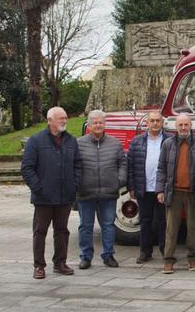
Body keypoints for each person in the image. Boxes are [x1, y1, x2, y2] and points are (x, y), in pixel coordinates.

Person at [21, 106, 80, 279]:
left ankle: (60, 263)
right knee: (40, 231)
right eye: (60, 118)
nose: (64, 121)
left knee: (62, 231)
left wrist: (74, 184)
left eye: (65, 117)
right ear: (50, 120)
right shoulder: (36, 140)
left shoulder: (71, 141)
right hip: (43, 197)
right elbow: (27, 168)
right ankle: (39, 266)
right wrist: (38, 187)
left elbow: (78, 165)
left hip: (65, 196)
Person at [156, 114, 195, 274]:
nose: (183, 128)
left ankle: (193, 260)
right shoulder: (167, 144)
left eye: (186, 125)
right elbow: (161, 168)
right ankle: (168, 261)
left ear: (191, 125)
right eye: (180, 125)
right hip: (173, 192)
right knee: (171, 229)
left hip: (193, 192)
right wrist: (160, 190)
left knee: (193, 228)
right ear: (176, 126)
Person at [76, 110, 126, 270]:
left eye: (101, 122)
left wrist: (119, 181)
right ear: (89, 125)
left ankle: (108, 255)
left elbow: (123, 164)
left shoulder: (115, 143)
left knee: (108, 225)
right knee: (85, 226)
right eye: (95, 123)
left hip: (108, 192)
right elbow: (74, 166)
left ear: (105, 124)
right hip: (85, 192)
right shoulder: (78, 144)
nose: (98, 125)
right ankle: (85, 257)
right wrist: (78, 184)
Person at [127, 110, 171, 264]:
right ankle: (145, 252)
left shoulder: (170, 140)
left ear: (162, 122)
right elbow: (131, 166)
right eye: (152, 121)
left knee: (163, 222)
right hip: (143, 187)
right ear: (147, 123)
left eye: (158, 121)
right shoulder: (137, 141)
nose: (155, 123)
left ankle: (165, 250)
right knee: (145, 221)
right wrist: (131, 186)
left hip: (162, 189)